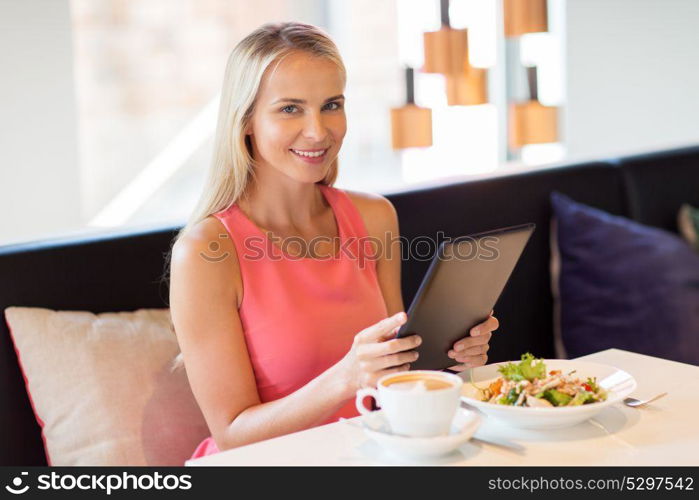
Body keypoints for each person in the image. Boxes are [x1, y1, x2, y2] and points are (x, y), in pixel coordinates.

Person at [168, 21, 499, 459]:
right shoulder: (206, 251)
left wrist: (457, 360)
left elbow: (390, 377)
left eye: (331, 105)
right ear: (245, 120)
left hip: (368, 454)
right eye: (290, 109)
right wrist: (344, 378)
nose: (318, 131)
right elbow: (232, 433)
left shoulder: (374, 217)